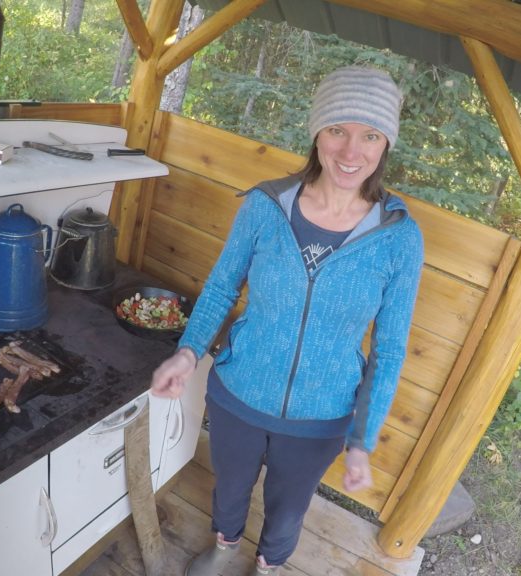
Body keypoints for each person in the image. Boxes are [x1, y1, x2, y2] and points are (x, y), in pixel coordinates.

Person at [150, 65, 424, 576]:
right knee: (229, 487)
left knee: (288, 509)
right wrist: (187, 353)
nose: (350, 151)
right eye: (338, 129)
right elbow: (220, 287)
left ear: (386, 144)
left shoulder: (399, 237)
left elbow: (389, 349)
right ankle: (225, 545)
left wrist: (362, 437)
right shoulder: (264, 206)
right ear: (316, 132)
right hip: (239, 393)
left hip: (321, 417)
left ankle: (269, 565)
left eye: (369, 135)